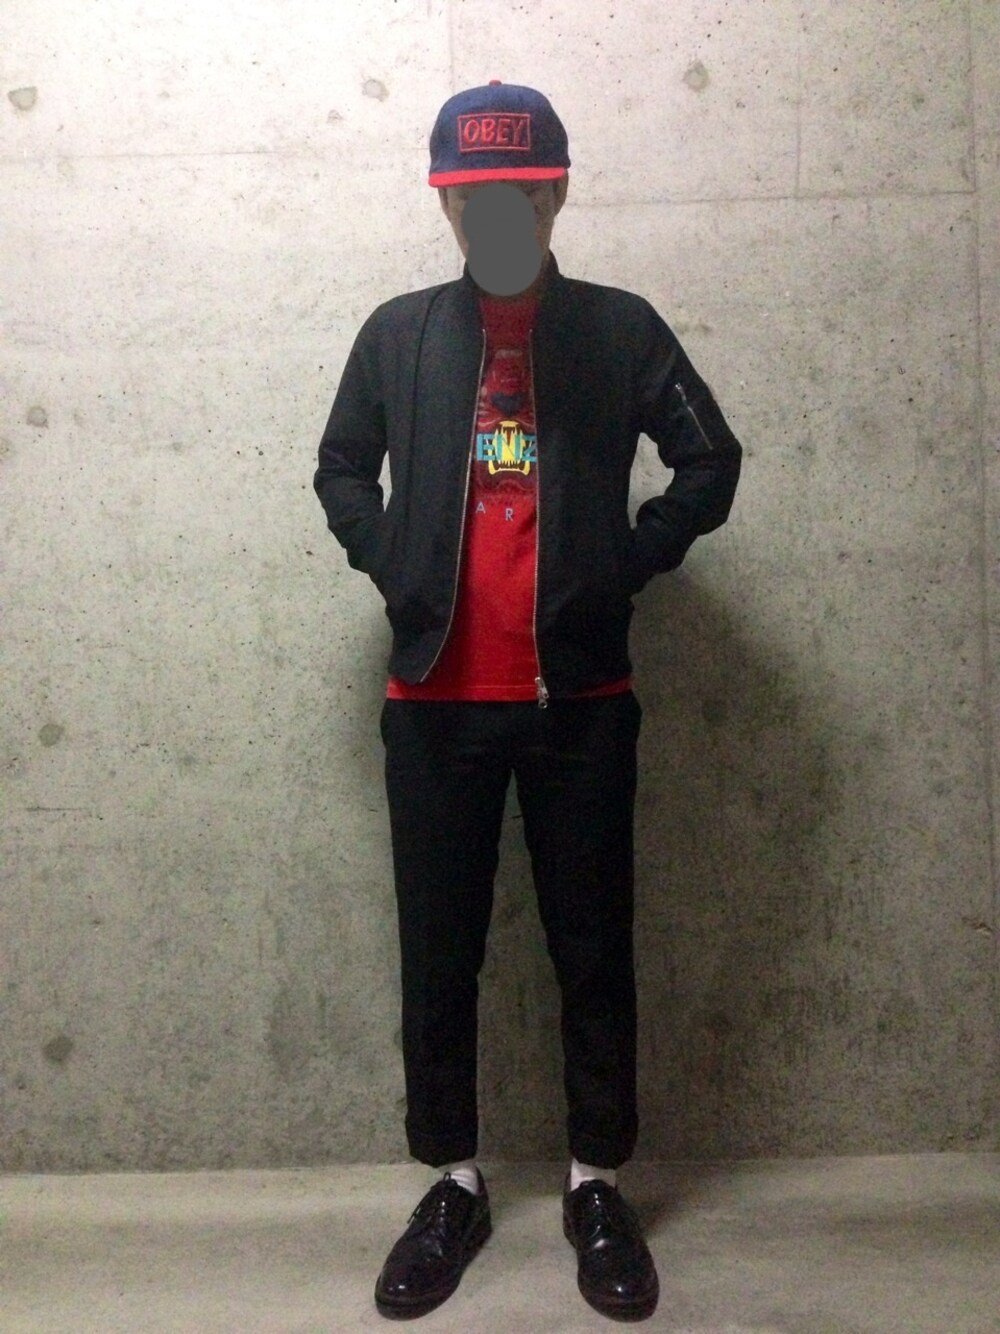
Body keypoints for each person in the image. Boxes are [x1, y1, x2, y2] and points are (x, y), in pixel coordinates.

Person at [314, 80, 742, 1323]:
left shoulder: (618, 329)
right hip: (435, 701)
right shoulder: (398, 335)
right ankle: (451, 1180)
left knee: (592, 946)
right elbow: (340, 468)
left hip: (581, 701)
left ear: (554, 194)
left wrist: (625, 558)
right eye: (471, 199)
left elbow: (709, 458)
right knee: (438, 952)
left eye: (516, 194)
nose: (493, 216)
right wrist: (395, 560)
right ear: (444, 204)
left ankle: (595, 1182)